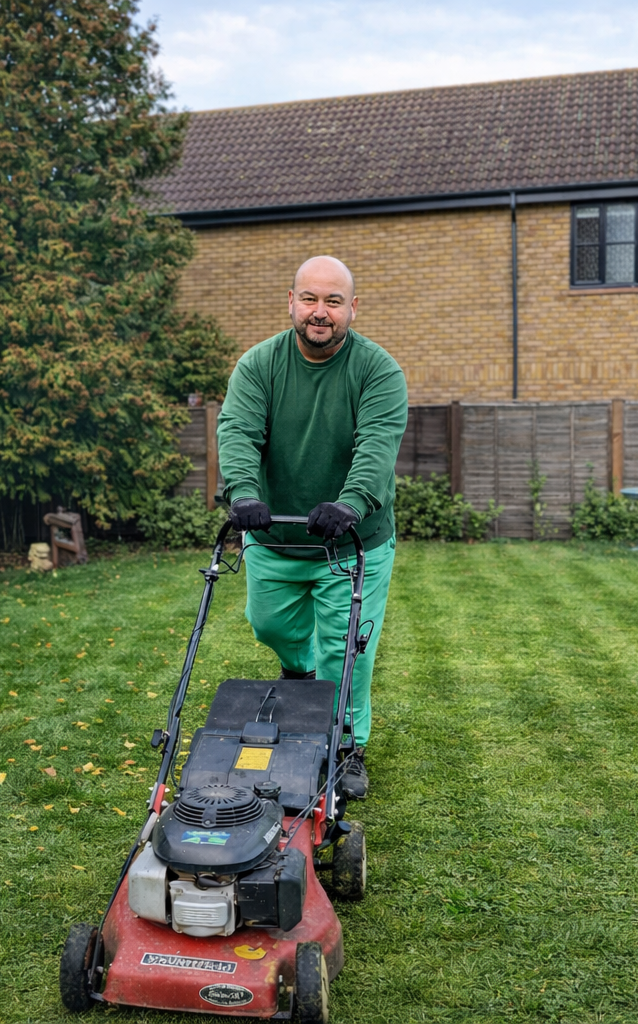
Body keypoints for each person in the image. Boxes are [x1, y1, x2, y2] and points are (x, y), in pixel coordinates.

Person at [216, 255, 408, 800]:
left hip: (351, 539)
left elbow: (376, 445)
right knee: (269, 625)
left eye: (332, 301)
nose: (319, 312)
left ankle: (347, 745)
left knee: (347, 648)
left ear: (353, 307)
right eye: (309, 299)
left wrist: (351, 503)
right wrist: (244, 493)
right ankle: (298, 676)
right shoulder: (259, 364)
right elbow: (238, 431)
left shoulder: (377, 370)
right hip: (274, 535)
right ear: (292, 303)